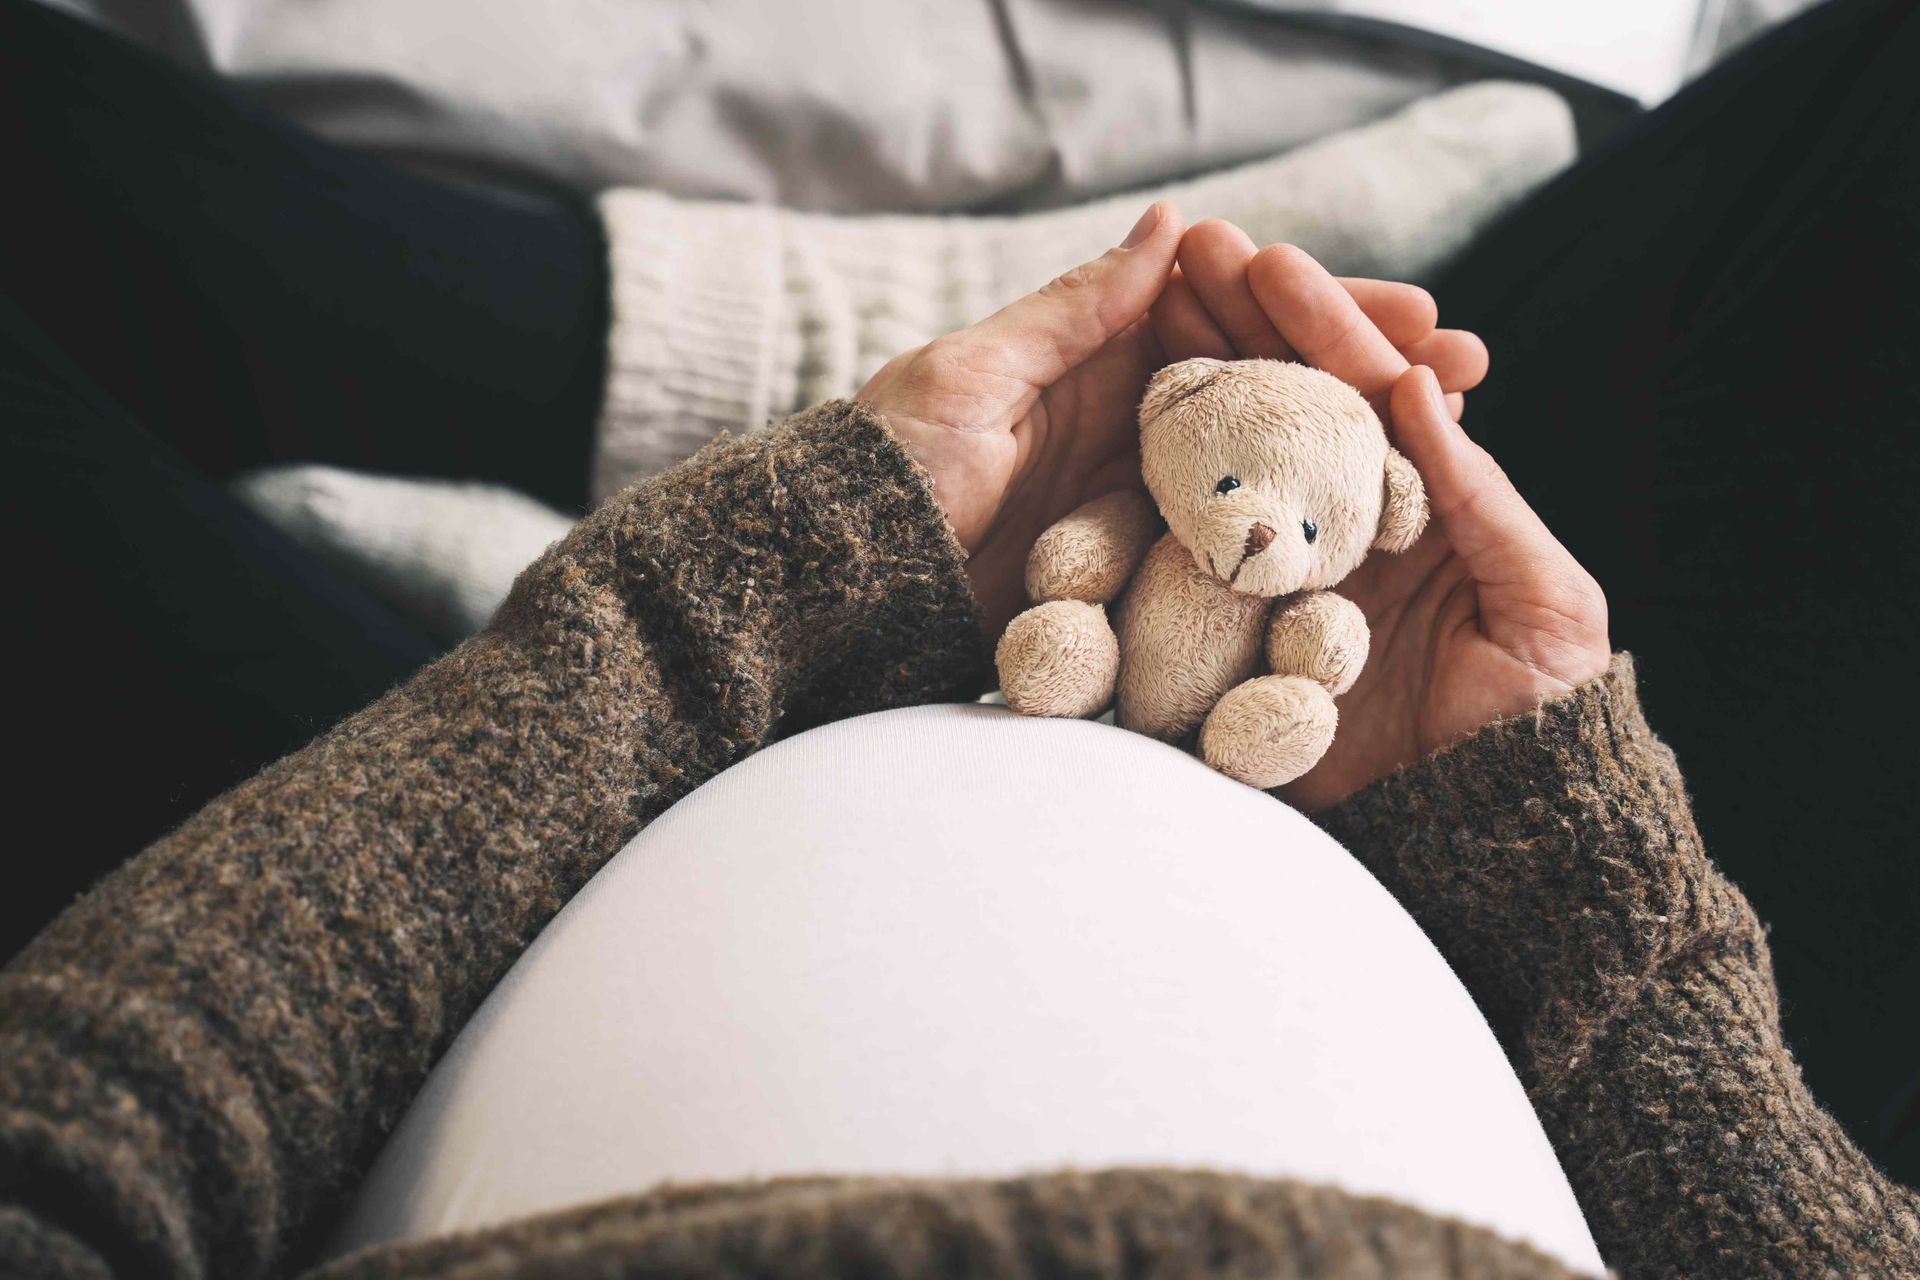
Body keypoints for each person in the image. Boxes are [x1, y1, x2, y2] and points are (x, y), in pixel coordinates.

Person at [2, 0, 1918, 1275]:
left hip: (422, 961)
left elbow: (64, 1161)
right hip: (1436, 880)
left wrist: (707, 617)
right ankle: (735, 364)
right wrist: (1578, 904)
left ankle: (681, 420)